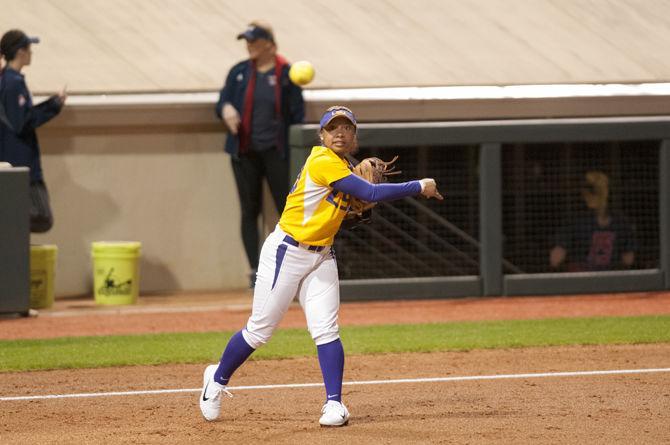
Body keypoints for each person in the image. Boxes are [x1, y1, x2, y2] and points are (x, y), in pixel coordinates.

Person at [199, 106, 444, 426]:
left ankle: (334, 404)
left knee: (326, 329)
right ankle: (215, 381)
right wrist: (419, 185)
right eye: (333, 128)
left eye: (346, 128)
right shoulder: (322, 160)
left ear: (355, 135)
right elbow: (369, 191)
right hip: (286, 252)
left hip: (321, 256)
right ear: (322, 135)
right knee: (260, 330)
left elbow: (354, 204)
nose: (339, 133)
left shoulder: (346, 167)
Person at [215, 21, 305, 288]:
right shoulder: (240, 72)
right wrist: (227, 109)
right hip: (244, 152)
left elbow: (297, 114)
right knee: (249, 210)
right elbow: (221, 102)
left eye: (255, 41)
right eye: (247, 41)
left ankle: (292, 269)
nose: (250, 45)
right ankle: (256, 272)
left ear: (270, 44)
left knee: (286, 209)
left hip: (277, 152)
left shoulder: (287, 73)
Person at [0, 29, 66, 233]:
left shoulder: (7, 80)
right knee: (41, 215)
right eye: (29, 49)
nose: (31, 53)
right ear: (20, 52)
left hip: (16, 161)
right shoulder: (12, 83)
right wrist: (54, 105)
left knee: (36, 215)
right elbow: (22, 122)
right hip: (20, 162)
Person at [549, 170, 637, 271]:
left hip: (612, 282)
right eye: (590, 191)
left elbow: (628, 260)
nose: (592, 196)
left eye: (597, 191)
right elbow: (556, 259)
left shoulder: (621, 223)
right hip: (581, 282)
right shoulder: (574, 221)